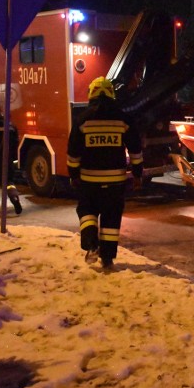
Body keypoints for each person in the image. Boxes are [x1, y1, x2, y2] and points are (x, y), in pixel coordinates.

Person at [67, 77, 143, 269]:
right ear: (111, 93)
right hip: (116, 181)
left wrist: (73, 175)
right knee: (111, 218)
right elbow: (135, 149)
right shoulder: (123, 118)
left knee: (86, 211)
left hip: (88, 180)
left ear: (91, 93)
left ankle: (91, 244)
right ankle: (107, 258)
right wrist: (137, 174)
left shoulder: (83, 119)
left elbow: (73, 152)